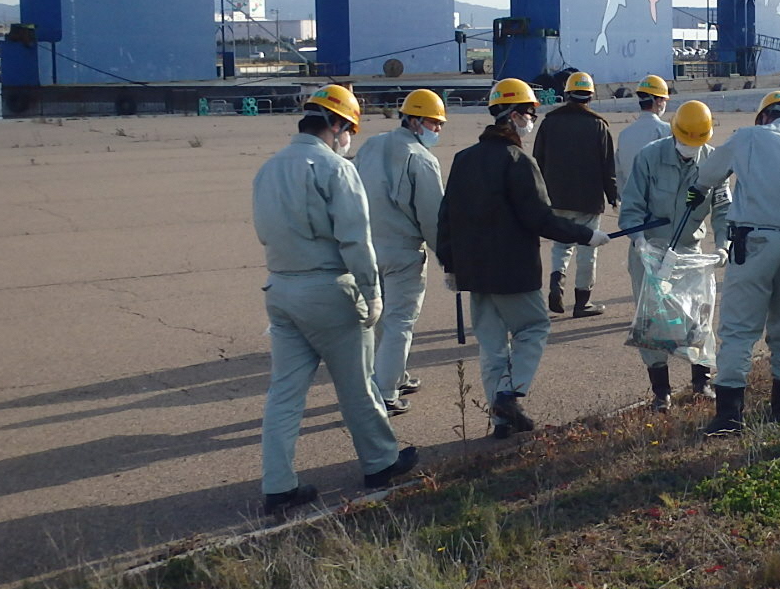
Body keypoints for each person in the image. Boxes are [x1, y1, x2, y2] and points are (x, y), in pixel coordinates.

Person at [251, 84, 415, 514]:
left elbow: (263, 230)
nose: (348, 139)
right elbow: (356, 241)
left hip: (280, 287)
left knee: (284, 393)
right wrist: (372, 294)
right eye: (349, 129)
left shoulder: (268, 169)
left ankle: (278, 484)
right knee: (357, 384)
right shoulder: (335, 169)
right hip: (328, 288)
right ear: (337, 124)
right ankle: (381, 462)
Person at [438, 77, 613, 436]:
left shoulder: (463, 159)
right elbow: (540, 218)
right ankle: (508, 394)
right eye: (530, 112)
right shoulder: (518, 161)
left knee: (491, 347)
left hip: (473, 273)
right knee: (533, 328)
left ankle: (502, 420)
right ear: (515, 115)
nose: (532, 118)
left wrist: (450, 264)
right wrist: (586, 235)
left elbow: (446, 215)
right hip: (512, 271)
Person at [695, 89, 780, 433]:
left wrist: (695, 191)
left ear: (763, 116)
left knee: (739, 329)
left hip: (754, 241)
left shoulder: (748, 137)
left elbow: (708, 174)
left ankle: (729, 416)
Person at [620, 99, 728, 410]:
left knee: (698, 321)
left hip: (690, 254)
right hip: (650, 251)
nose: (690, 147)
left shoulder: (714, 162)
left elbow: (724, 209)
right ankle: (661, 392)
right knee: (652, 322)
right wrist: (639, 240)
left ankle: (701, 381)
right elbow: (631, 207)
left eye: (697, 142)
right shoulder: (649, 158)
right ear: (673, 132)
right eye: (685, 140)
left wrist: (724, 244)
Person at [351, 88, 448, 415]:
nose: (437, 130)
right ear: (417, 121)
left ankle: (395, 373)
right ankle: (387, 392)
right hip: (403, 252)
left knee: (379, 318)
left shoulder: (372, 145)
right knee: (400, 322)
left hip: (365, 248)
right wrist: (447, 257)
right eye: (435, 124)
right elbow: (432, 217)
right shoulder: (421, 159)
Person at [533, 71, 616, 317]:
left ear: (567, 94)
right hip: (588, 200)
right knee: (588, 250)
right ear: (590, 96)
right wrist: (612, 197)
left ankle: (556, 284)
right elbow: (607, 166)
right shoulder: (598, 125)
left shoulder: (549, 122)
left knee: (561, 245)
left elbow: (537, 159)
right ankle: (582, 302)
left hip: (556, 197)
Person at [615, 74, 674, 196]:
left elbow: (618, 173)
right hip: (657, 204)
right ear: (658, 101)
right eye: (664, 100)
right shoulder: (666, 130)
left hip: (631, 202)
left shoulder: (624, 135)